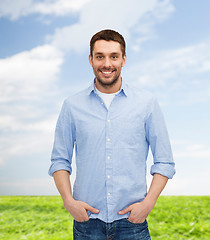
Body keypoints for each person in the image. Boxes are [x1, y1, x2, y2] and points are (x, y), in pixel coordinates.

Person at [49, 29, 175, 240]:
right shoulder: (71, 106)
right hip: (86, 223)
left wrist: (148, 203)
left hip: (132, 224)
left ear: (123, 59)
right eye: (100, 56)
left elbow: (164, 162)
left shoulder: (147, 103)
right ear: (91, 60)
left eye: (113, 56)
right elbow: (60, 160)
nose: (107, 64)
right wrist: (68, 201)